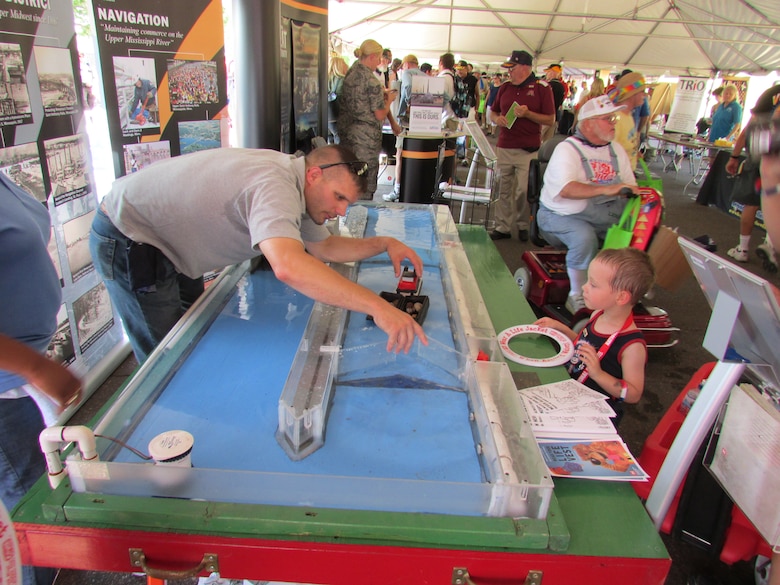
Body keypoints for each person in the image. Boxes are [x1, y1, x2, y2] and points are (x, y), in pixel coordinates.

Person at [89, 145, 428, 363]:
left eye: (347, 204)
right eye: (339, 197)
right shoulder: (275, 184)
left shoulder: (300, 188)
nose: (341, 211)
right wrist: (377, 306)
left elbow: (325, 247)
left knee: (190, 337)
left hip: (172, 244)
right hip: (132, 236)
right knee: (164, 358)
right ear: (314, 175)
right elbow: (288, 266)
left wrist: (385, 243)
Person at [1, 173, 83, 585]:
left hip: (17, 375)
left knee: (41, 479)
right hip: (6, 383)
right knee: (26, 502)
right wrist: (34, 367)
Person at [536, 94, 638, 314]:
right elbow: (567, 189)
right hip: (560, 217)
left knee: (637, 237)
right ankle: (576, 294)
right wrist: (607, 188)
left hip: (606, 216)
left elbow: (630, 185)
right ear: (589, 123)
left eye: (614, 119)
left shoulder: (616, 150)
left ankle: (617, 291)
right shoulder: (567, 149)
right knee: (584, 238)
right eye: (607, 119)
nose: (613, 123)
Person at [535, 247, 654, 427]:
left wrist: (598, 374)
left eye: (593, 284)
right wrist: (563, 329)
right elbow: (586, 347)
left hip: (594, 415)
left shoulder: (632, 347)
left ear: (621, 297)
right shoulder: (598, 314)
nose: (584, 287)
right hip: (570, 395)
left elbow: (634, 394)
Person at [489, 50, 556, 241]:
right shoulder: (505, 88)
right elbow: (492, 112)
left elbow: (550, 119)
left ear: (525, 67)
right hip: (505, 146)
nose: (508, 72)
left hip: (528, 149)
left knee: (523, 190)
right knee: (502, 187)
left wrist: (528, 114)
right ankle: (502, 226)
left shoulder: (542, 88)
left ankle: (522, 224)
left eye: (513, 67)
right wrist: (497, 119)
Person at [724, 83, 780, 269]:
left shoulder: (771, 93)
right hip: (770, 157)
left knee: (752, 202)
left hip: (760, 156)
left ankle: (743, 248)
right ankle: (771, 244)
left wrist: (734, 156)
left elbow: (748, 129)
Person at [338, 39, 401, 198]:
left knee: (350, 182)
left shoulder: (351, 74)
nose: (380, 62)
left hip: (347, 138)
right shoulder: (371, 81)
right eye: (379, 58)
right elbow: (379, 114)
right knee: (365, 187)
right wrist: (390, 100)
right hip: (366, 141)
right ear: (372, 56)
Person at [383, 54, 426, 203]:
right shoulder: (426, 76)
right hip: (423, 122)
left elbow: (407, 87)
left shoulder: (408, 74)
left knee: (400, 154)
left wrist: (409, 103)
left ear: (407, 64)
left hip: (406, 121)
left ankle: (397, 190)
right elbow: (445, 96)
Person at [607, 71, 648, 170]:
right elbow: (609, 153)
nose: (645, 95)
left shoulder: (628, 115)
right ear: (633, 94)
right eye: (642, 91)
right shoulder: (616, 119)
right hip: (618, 178)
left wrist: (633, 153)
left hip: (627, 175)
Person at [327, 55, 349, 144]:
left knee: (330, 142)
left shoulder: (326, 78)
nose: (347, 65)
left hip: (327, 117)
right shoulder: (343, 80)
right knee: (339, 141)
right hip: (338, 115)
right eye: (344, 64)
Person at [541, 63, 566, 143]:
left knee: (536, 140)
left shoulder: (547, 86)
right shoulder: (562, 87)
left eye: (548, 72)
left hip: (543, 118)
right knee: (547, 143)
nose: (547, 74)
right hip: (553, 118)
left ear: (553, 72)